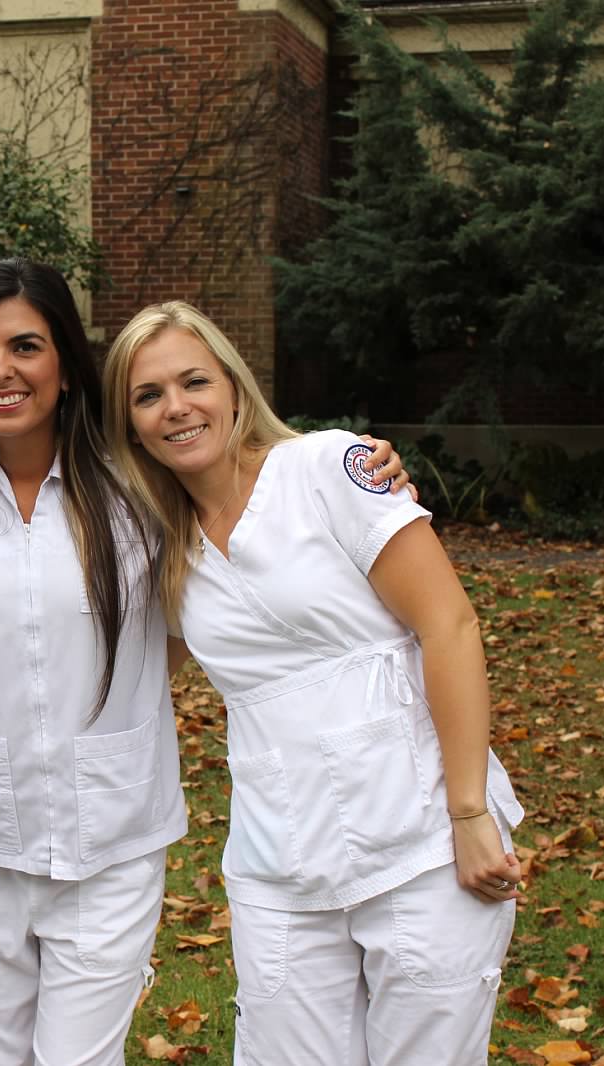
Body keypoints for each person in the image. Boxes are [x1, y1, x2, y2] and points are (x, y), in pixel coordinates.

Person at [0, 260, 409, 1065]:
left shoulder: (138, 488)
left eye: (25, 346)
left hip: (112, 836)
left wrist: (367, 470)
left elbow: (232, 539)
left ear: (68, 365)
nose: (0, 370)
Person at [101, 300, 524, 1065]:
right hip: (281, 857)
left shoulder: (328, 468)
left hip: (422, 835)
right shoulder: (158, 546)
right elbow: (123, 674)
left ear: (233, 386)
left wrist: (468, 813)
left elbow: (450, 627)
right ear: (130, 425)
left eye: (193, 381)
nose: (177, 408)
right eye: (148, 396)